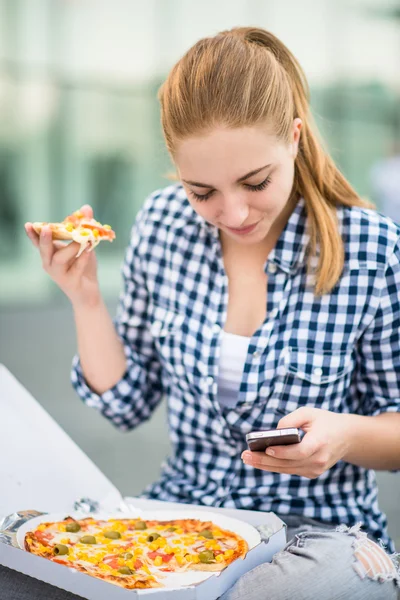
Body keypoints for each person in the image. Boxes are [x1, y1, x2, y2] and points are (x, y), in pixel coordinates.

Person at [23, 27, 400, 600]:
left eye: (256, 182)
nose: (233, 212)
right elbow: (127, 404)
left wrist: (345, 436)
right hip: (184, 522)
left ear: (295, 137)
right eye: (202, 191)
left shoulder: (372, 249)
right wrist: (86, 298)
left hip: (318, 534)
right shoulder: (163, 224)